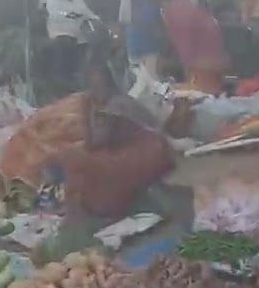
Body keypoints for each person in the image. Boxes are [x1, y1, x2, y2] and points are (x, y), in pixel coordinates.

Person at [45, 58, 173, 219]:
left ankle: (87, 213)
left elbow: (97, 141)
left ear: (108, 83)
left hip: (148, 152)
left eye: (98, 85)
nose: (95, 91)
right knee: (67, 159)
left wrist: (87, 119)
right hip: (140, 151)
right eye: (92, 86)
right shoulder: (100, 104)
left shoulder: (117, 104)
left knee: (73, 160)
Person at [161, 0, 229, 94]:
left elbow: (183, 41)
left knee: (202, 90)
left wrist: (188, 64)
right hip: (214, 51)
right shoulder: (184, 5)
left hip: (203, 59)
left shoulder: (173, 11)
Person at [44, 0, 98, 84]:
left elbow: (86, 12)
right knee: (66, 43)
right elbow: (57, 14)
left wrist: (96, 20)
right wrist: (75, 15)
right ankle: (63, 79)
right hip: (60, 33)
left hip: (78, 33)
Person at [119, 0, 165, 82]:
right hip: (149, 49)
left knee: (138, 80)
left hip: (133, 49)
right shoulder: (149, 6)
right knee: (152, 81)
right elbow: (154, 26)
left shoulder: (128, 8)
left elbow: (123, 26)